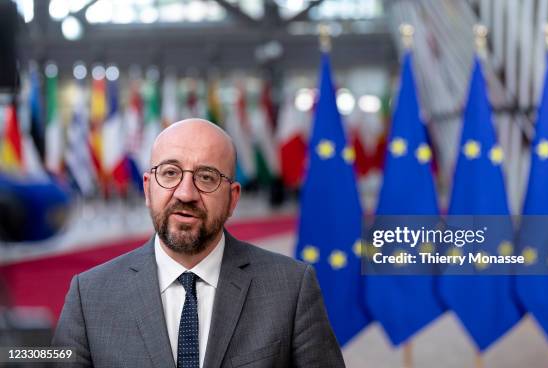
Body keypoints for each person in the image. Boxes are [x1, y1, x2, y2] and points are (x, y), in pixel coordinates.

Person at [53, 119, 345, 367]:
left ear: (232, 198)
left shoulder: (291, 288)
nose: (185, 193)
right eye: (169, 173)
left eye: (206, 177)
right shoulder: (89, 295)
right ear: (147, 188)